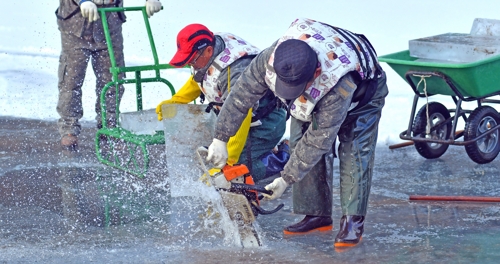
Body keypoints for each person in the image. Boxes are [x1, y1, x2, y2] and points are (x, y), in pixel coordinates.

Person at [205, 18, 389, 248]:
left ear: (316, 72)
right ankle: (316, 214)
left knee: (354, 153)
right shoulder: (272, 58)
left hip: (363, 95)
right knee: (297, 142)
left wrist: (285, 179)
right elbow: (241, 95)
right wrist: (220, 137)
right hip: (315, 81)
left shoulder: (338, 81)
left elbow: (319, 140)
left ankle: (353, 221)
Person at [155, 23, 288, 182]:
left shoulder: (235, 69)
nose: (191, 65)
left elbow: (242, 112)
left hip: (266, 122)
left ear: (208, 50)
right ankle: (263, 152)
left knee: (240, 169)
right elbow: (202, 77)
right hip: (238, 120)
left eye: (192, 61)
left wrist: (229, 160)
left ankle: (283, 159)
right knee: (220, 160)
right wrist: (176, 100)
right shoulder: (208, 51)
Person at [55, 0, 162, 150]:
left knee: (113, 78)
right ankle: (69, 129)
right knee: (71, 80)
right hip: (76, 24)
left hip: (110, 23)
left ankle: (108, 125)